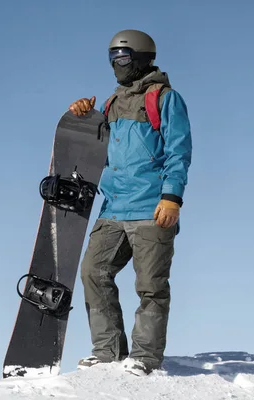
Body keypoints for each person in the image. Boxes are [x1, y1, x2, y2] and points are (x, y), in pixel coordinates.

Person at [68, 29, 192, 376]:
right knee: (94, 271)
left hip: (152, 207)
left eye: (122, 58)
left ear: (140, 58)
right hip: (114, 208)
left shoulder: (165, 98)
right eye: (111, 59)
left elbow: (179, 151)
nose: (116, 66)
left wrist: (172, 196)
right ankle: (107, 351)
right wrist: (82, 115)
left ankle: (145, 357)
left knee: (151, 286)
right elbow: (93, 147)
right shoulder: (110, 104)